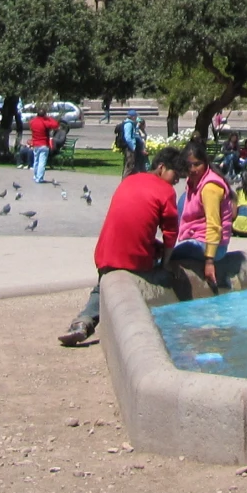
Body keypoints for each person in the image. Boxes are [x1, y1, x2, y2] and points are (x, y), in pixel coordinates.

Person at [58, 147, 187, 346]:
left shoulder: (129, 180)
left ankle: (83, 321)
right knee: (165, 275)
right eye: (176, 176)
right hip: (135, 258)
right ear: (161, 168)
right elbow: (171, 233)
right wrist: (167, 264)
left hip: (105, 253)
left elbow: (131, 223)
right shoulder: (165, 191)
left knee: (103, 287)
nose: (176, 181)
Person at [172, 139, 236, 290]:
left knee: (166, 257)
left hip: (210, 247)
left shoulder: (210, 188)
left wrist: (209, 262)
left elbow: (214, 225)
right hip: (198, 240)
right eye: (189, 165)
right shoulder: (193, 182)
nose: (193, 169)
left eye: (197, 164)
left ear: (205, 163)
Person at [26, 105, 59, 183]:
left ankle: (35, 175)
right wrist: (48, 118)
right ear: (44, 114)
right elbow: (55, 125)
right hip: (44, 144)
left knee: (36, 161)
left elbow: (30, 125)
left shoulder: (32, 122)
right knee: (42, 162)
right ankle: (39, 178)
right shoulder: (45, 122)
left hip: (35, 144)